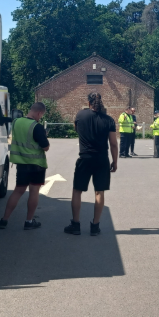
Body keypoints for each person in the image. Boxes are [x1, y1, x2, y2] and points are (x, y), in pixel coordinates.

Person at [65, 92, 118, 236]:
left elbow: (77, 129)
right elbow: (113, 143)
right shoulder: (109, 120)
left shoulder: (80, 115)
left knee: (77, 190)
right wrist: (115, 161)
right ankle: (95, 226)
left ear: (88, 103)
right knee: (99, 192)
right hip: (101, 159)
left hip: (85, 158)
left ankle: (75, 224)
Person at [0, 102, 50, 230]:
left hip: (21, 164)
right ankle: (29, 221)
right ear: (39, 113)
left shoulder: (16, 122)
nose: (40, 118)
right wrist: (44, 136)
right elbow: (46, 147)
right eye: (41, 115)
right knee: (34, 192)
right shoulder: (36, 127)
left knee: (17, 191)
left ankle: (4, 220)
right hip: (36, 165)